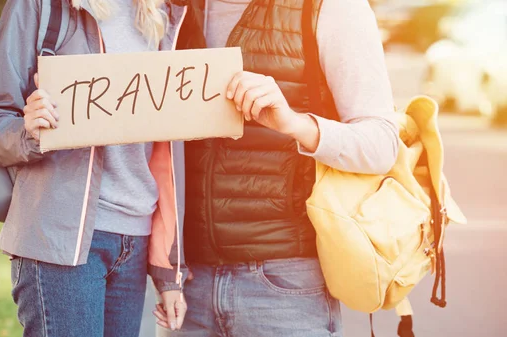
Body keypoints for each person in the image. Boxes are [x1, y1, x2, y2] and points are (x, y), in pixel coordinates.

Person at [154, 0, 399, 336]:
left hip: (286, 287)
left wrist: (296, 124)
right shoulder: (171, 9)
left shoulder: (330, 7)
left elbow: (382, 143)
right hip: (188, 290)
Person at [0, 0, 190, 336]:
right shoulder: (40, 5)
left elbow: (165, 152)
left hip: (135, 239)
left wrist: (168, 272)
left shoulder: (160, 11)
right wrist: (29, 131)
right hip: (60, 239)